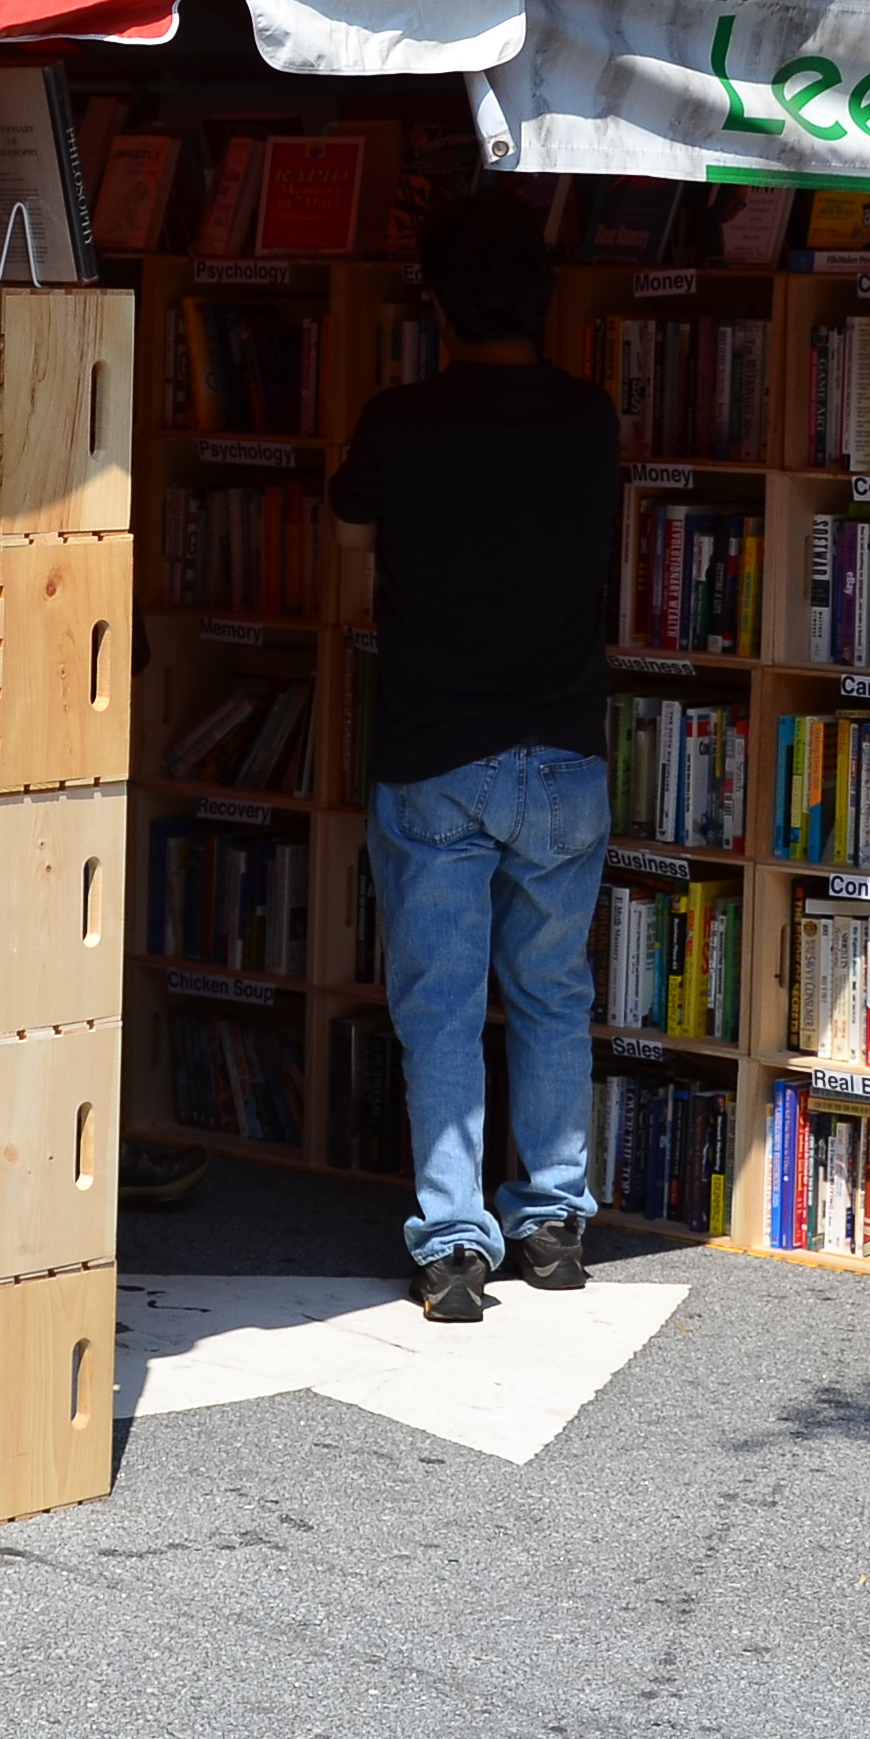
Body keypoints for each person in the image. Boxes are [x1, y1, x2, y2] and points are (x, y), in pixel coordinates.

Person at [327, 185, 620, 1322]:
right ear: (543, 303)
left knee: (438, 1005)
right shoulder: (589, 416)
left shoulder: (399, 423)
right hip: (562, 754)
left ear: (438, 304)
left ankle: (453, 1241)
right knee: (551, 993)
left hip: (434, 750)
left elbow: (351, 530)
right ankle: (552, 1213)